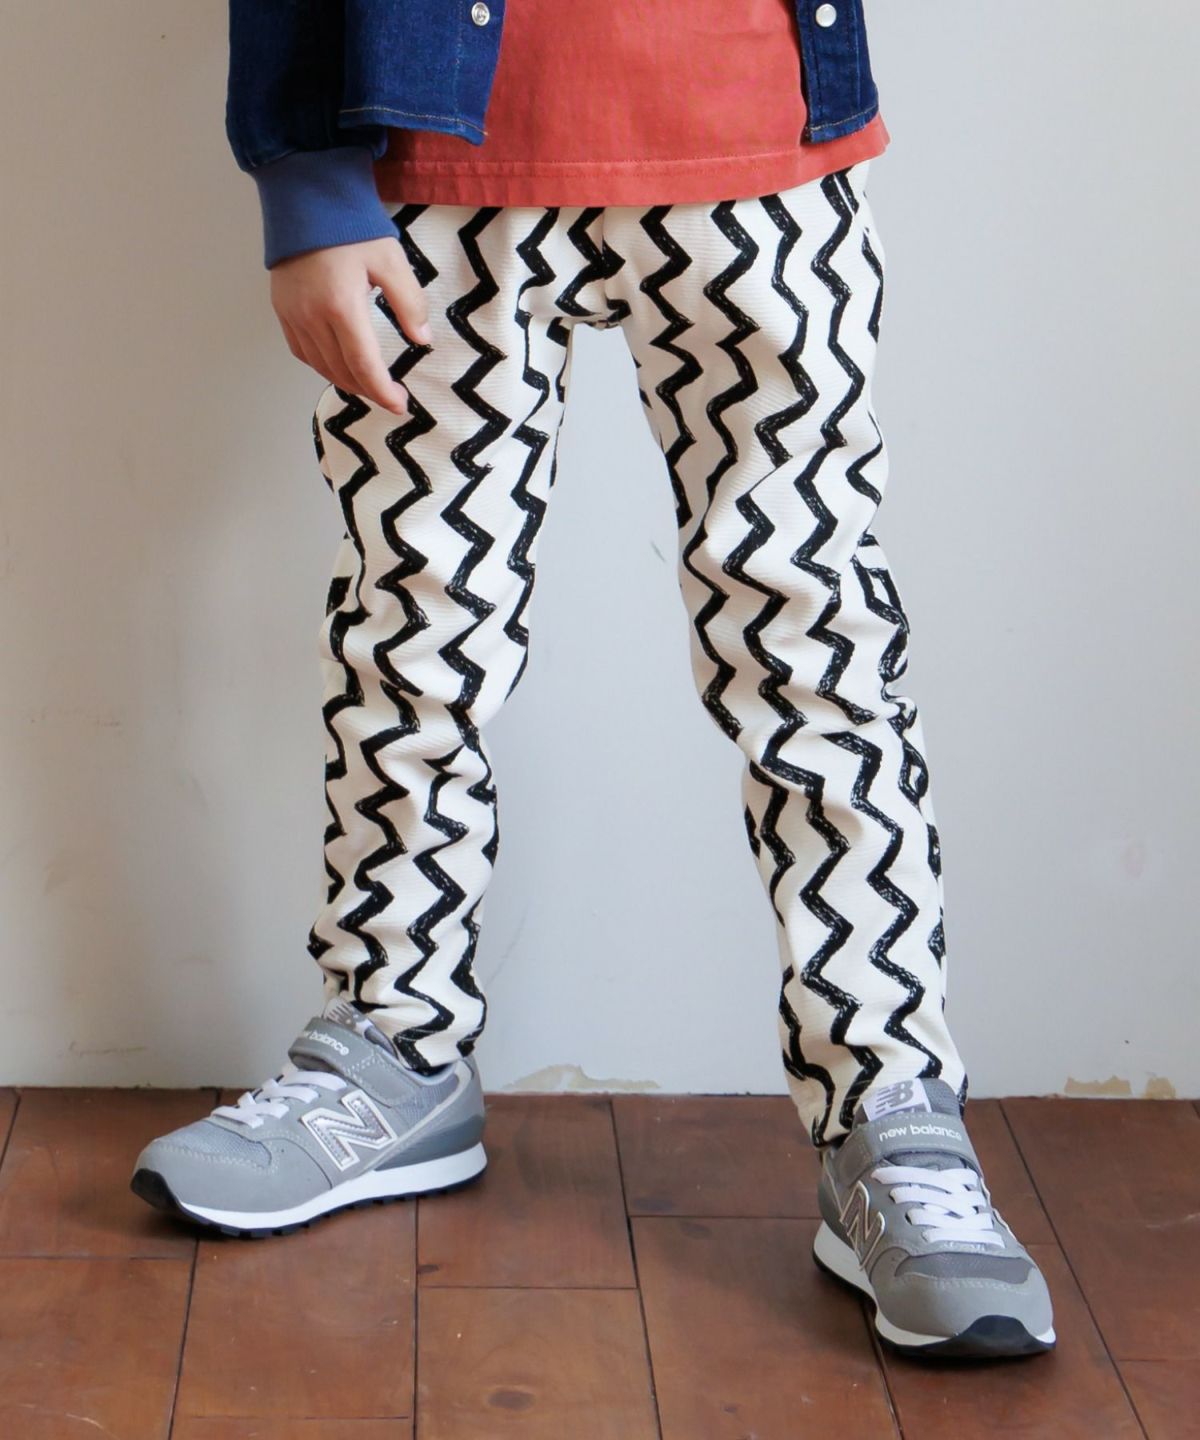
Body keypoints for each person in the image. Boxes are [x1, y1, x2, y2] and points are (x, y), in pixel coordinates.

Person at [131, 0, 1055, 1360]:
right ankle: (392, 1045)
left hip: (763, 159)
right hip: (433, 175)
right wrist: (307, 178)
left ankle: (893, 1111)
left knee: (817, 652)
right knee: (412, 637)